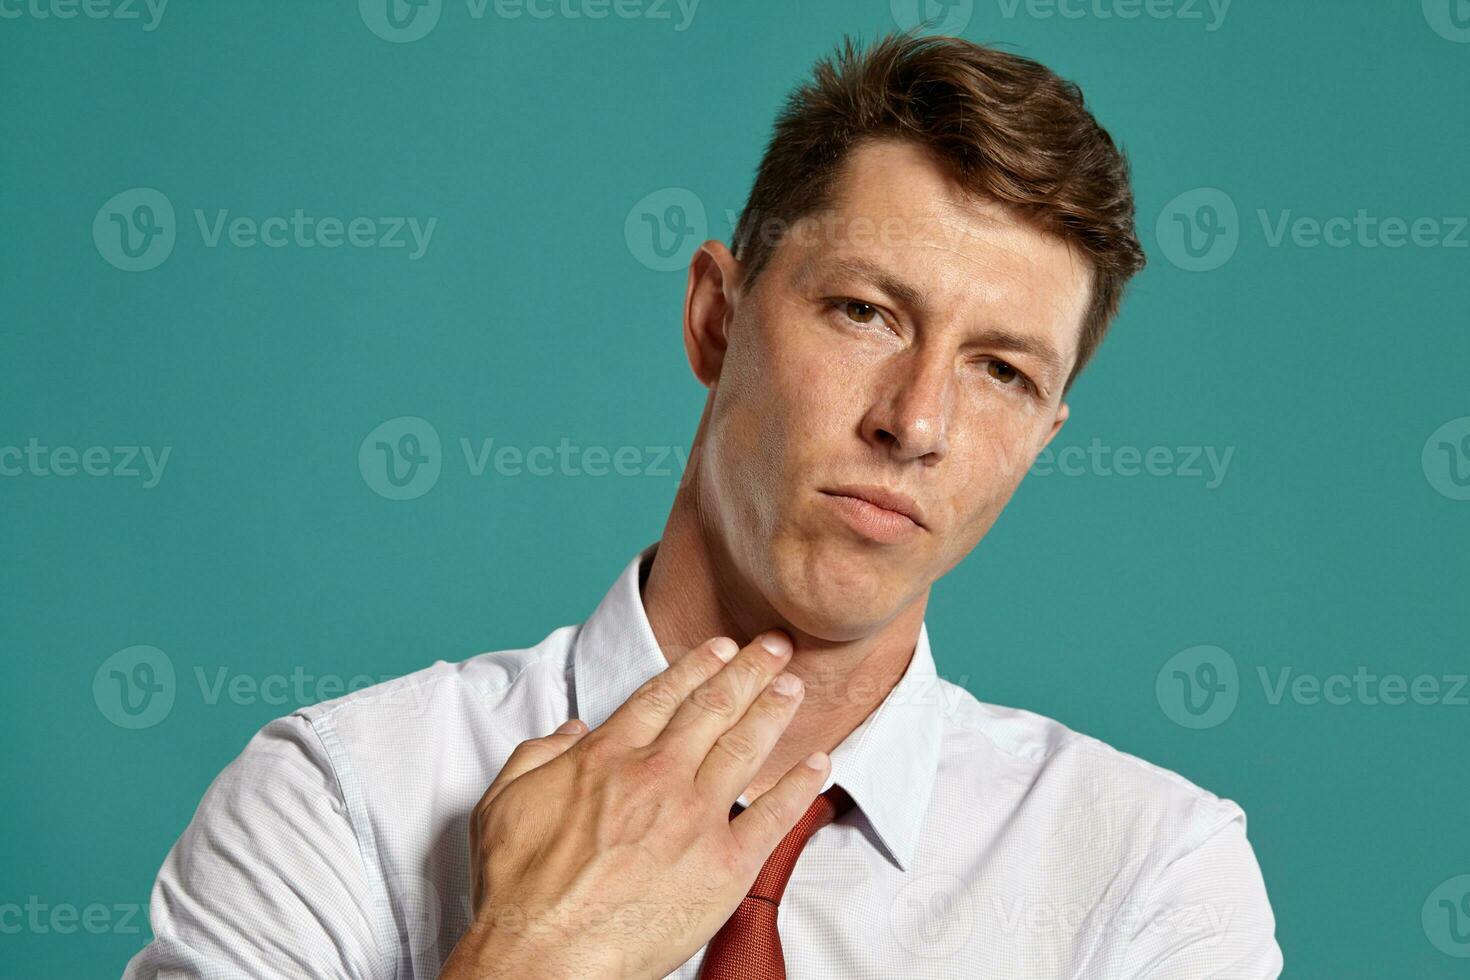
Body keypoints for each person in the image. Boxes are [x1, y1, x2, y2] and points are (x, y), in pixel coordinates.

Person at [125, 32, 1281, 979]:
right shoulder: (338, 805)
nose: (916, 421)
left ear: (1040, 437)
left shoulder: (1148, 876)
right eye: (866, 312)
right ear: (716, 317)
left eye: (1003, 371)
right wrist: (533, 954)